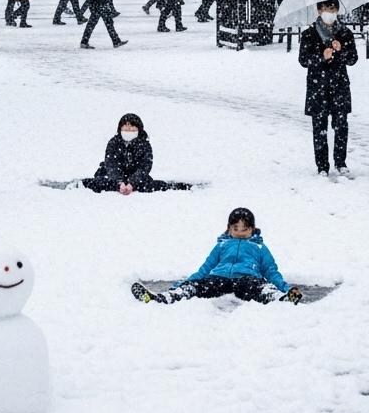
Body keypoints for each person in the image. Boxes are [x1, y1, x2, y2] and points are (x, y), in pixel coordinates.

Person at [132, 207, 302, 304]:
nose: (240, 232)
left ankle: (281, 299)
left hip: (246, 280)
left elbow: (271, 271)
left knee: (260, 287)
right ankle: (164, 297)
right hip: (219, 279)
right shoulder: (222, 245)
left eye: (244, 229)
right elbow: (205, 268)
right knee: (198, 286)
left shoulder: (259, 247)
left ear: (252, 229)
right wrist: (183, 284)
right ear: (228, 228)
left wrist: (285, 288)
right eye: (235, 229)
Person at [298, 0, 358, 178]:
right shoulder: (309, 34)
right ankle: (322, 166)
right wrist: (321, 57)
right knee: (319, 128)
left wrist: (341, 50)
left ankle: (341, 162)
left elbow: (353, 59)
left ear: (337, 10)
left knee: (341, 126)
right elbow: (303, 60)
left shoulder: (345, 33)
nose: (329, 13)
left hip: (339, 85)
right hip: (318, 87)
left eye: (332, 9)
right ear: (318, 11)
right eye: (325, 9)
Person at [82, 113, 191, 193]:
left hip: (136, 176)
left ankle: (178, 187)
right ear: (120, 128)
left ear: (139, 129)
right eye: (126, 127)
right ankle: (79, 184)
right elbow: (111, 163)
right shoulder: (113, 142)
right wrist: (119, 182)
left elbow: (145, 166)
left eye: (132, 128)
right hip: (112, 176)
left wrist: (132, 183)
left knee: (149, 186)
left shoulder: (144, 145)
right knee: (100, 183)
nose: (128, 129)